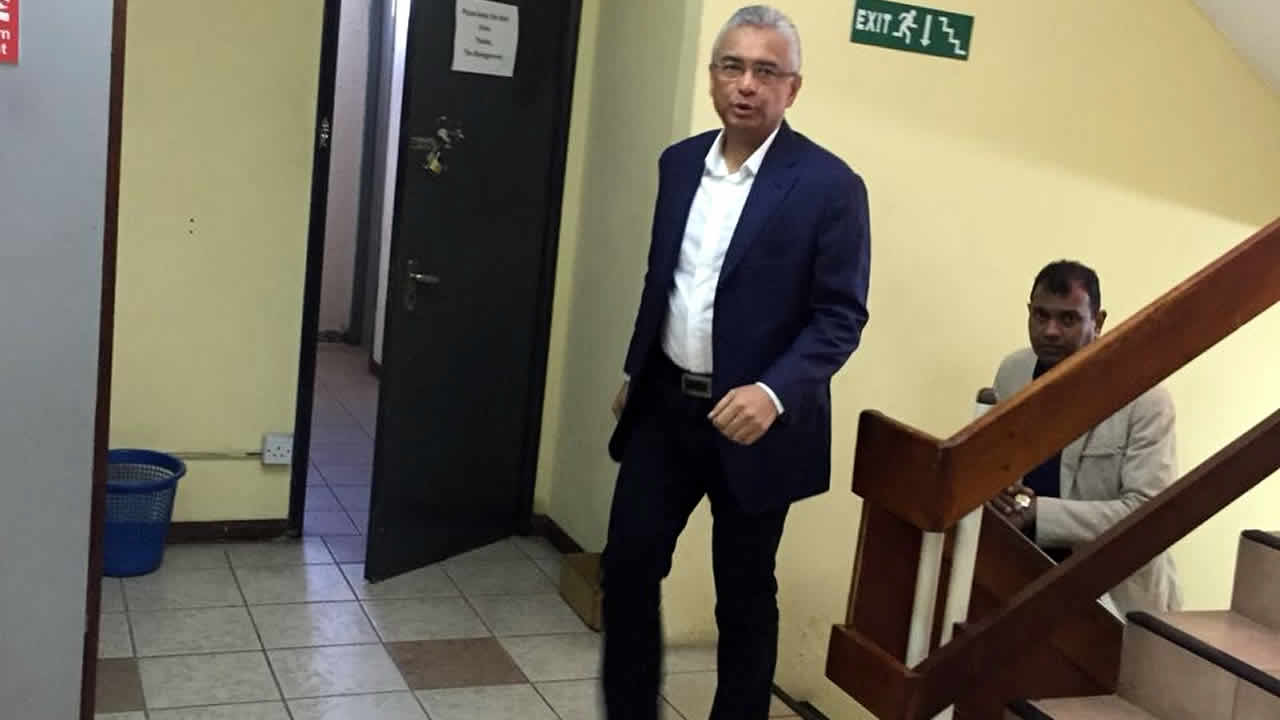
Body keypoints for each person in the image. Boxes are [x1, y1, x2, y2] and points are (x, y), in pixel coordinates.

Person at [601, 6, 871, 719]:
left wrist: (773, 393)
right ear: (713, 75)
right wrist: (635, 370)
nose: (746, 84)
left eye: (765, 71)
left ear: (792, 87)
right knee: (627, 565)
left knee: (744, 590)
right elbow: (665, 280)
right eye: (732, 66)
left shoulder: (829, 186)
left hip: (755, 423)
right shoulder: (678, 164)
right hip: (665, 407)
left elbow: (840, 316)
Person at [988, 260, 1182, 617]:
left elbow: (1148, 513)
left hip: (1115, 598)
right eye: (1040, 315)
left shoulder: (1146, 398)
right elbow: (996, 465)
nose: (1050, 331)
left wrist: (1037, 512)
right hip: (1021, 575)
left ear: (1099, 321)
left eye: (1068, 319)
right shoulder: (1013, 372)